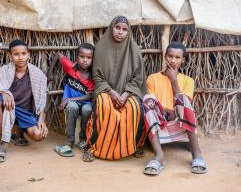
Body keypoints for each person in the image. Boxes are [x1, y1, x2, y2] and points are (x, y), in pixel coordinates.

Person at [83, 16, 146, 162]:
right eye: (117, 28)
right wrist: (111, 92)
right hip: (106, 90)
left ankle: (135, 145)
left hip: (128, 92)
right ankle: (92, 147)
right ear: (112, 28)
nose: (120, 32)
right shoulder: (100, 48)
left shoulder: (134, 50)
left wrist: (124, 94)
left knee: (135, 108)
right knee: (104, 106)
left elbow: (138, 79)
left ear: (128, 32)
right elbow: (97, 77)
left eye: (124, 29)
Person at [142, 42, 208, 175]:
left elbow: (185, 103)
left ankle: (197, 154)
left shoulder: (188, 80)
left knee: (182, 99)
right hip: (159, 121)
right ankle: (159, 156)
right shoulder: (153, 78)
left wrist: (173, 80)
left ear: (183, 60)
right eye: (170, 56)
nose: (173, 60)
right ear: (165, 57)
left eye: (177, 57)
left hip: (180, 122)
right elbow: (153, 102)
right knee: (147, 99)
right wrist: (167, 110)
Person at [0, 40, 48, 163]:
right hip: (7, 108)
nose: (20, 57)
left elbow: (41, 99)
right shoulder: (3, 71)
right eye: (16, 54)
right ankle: (1, 144)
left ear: (29, 54)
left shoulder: (38, 74)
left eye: (23, 53)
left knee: (38, 135)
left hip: (23, 111)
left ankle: (17, 131)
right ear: (10, 56)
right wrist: (3, 93)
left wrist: (41, 119)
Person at [47, 43, 95, 157]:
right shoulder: (70, 67)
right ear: (77, 57)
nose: (85, 60)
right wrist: (49, 72)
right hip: (73, 103)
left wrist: (68, 100)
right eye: (82, 57)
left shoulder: (93, 76)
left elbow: (89, 96)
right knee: (72, 107)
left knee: (87, 109)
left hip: (86, 102)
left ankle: (83, 139)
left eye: (89, 58)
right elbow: (58, 55)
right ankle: (69, 141)